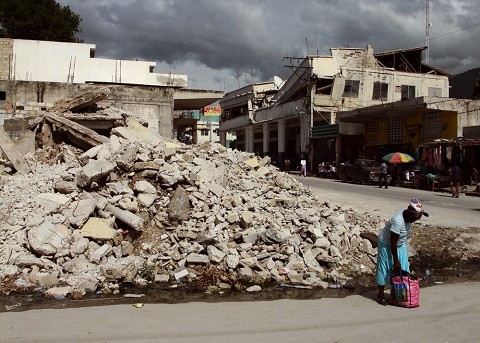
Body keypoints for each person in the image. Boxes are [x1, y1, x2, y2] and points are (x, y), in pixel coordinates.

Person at [376, 198, 429, 305]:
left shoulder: (409, 218)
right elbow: (393, 242)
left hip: (400, 244)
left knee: (403, 269)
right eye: (417, 216)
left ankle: (397, 295)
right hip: (387, 243)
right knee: (385, 266)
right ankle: (380, 295)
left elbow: (398, 242)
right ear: (411, 213)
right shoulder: (398, 221)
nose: (417, 219)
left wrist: (399, 261)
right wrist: (395, 260)